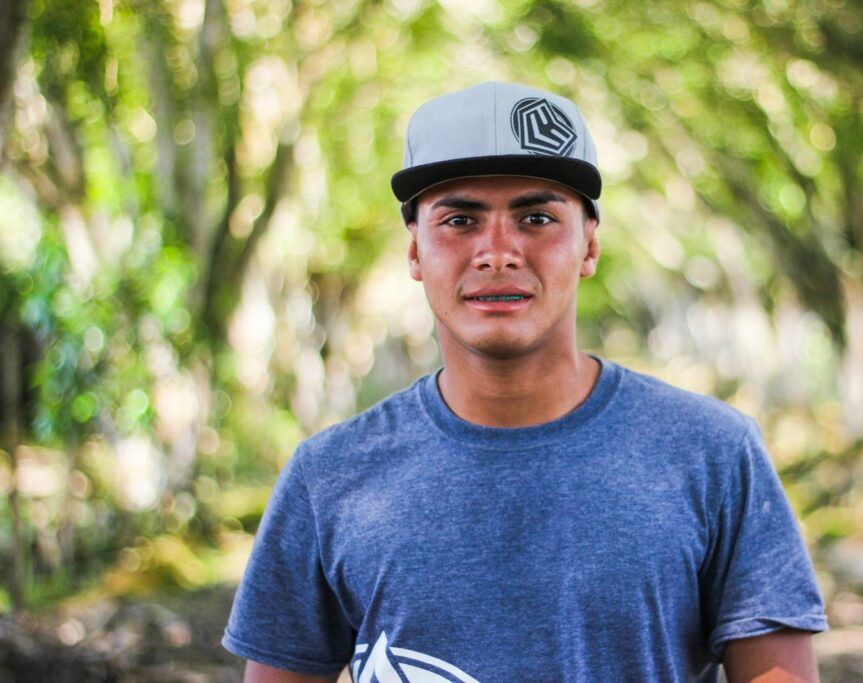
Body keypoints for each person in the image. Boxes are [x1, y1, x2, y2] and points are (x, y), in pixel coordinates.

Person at [222, 81, 828, 683]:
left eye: (536, 218)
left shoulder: (712, 452)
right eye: (460, 220)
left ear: (588, 246)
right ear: (415, 252)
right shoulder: (329, 475)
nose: (497, 252)